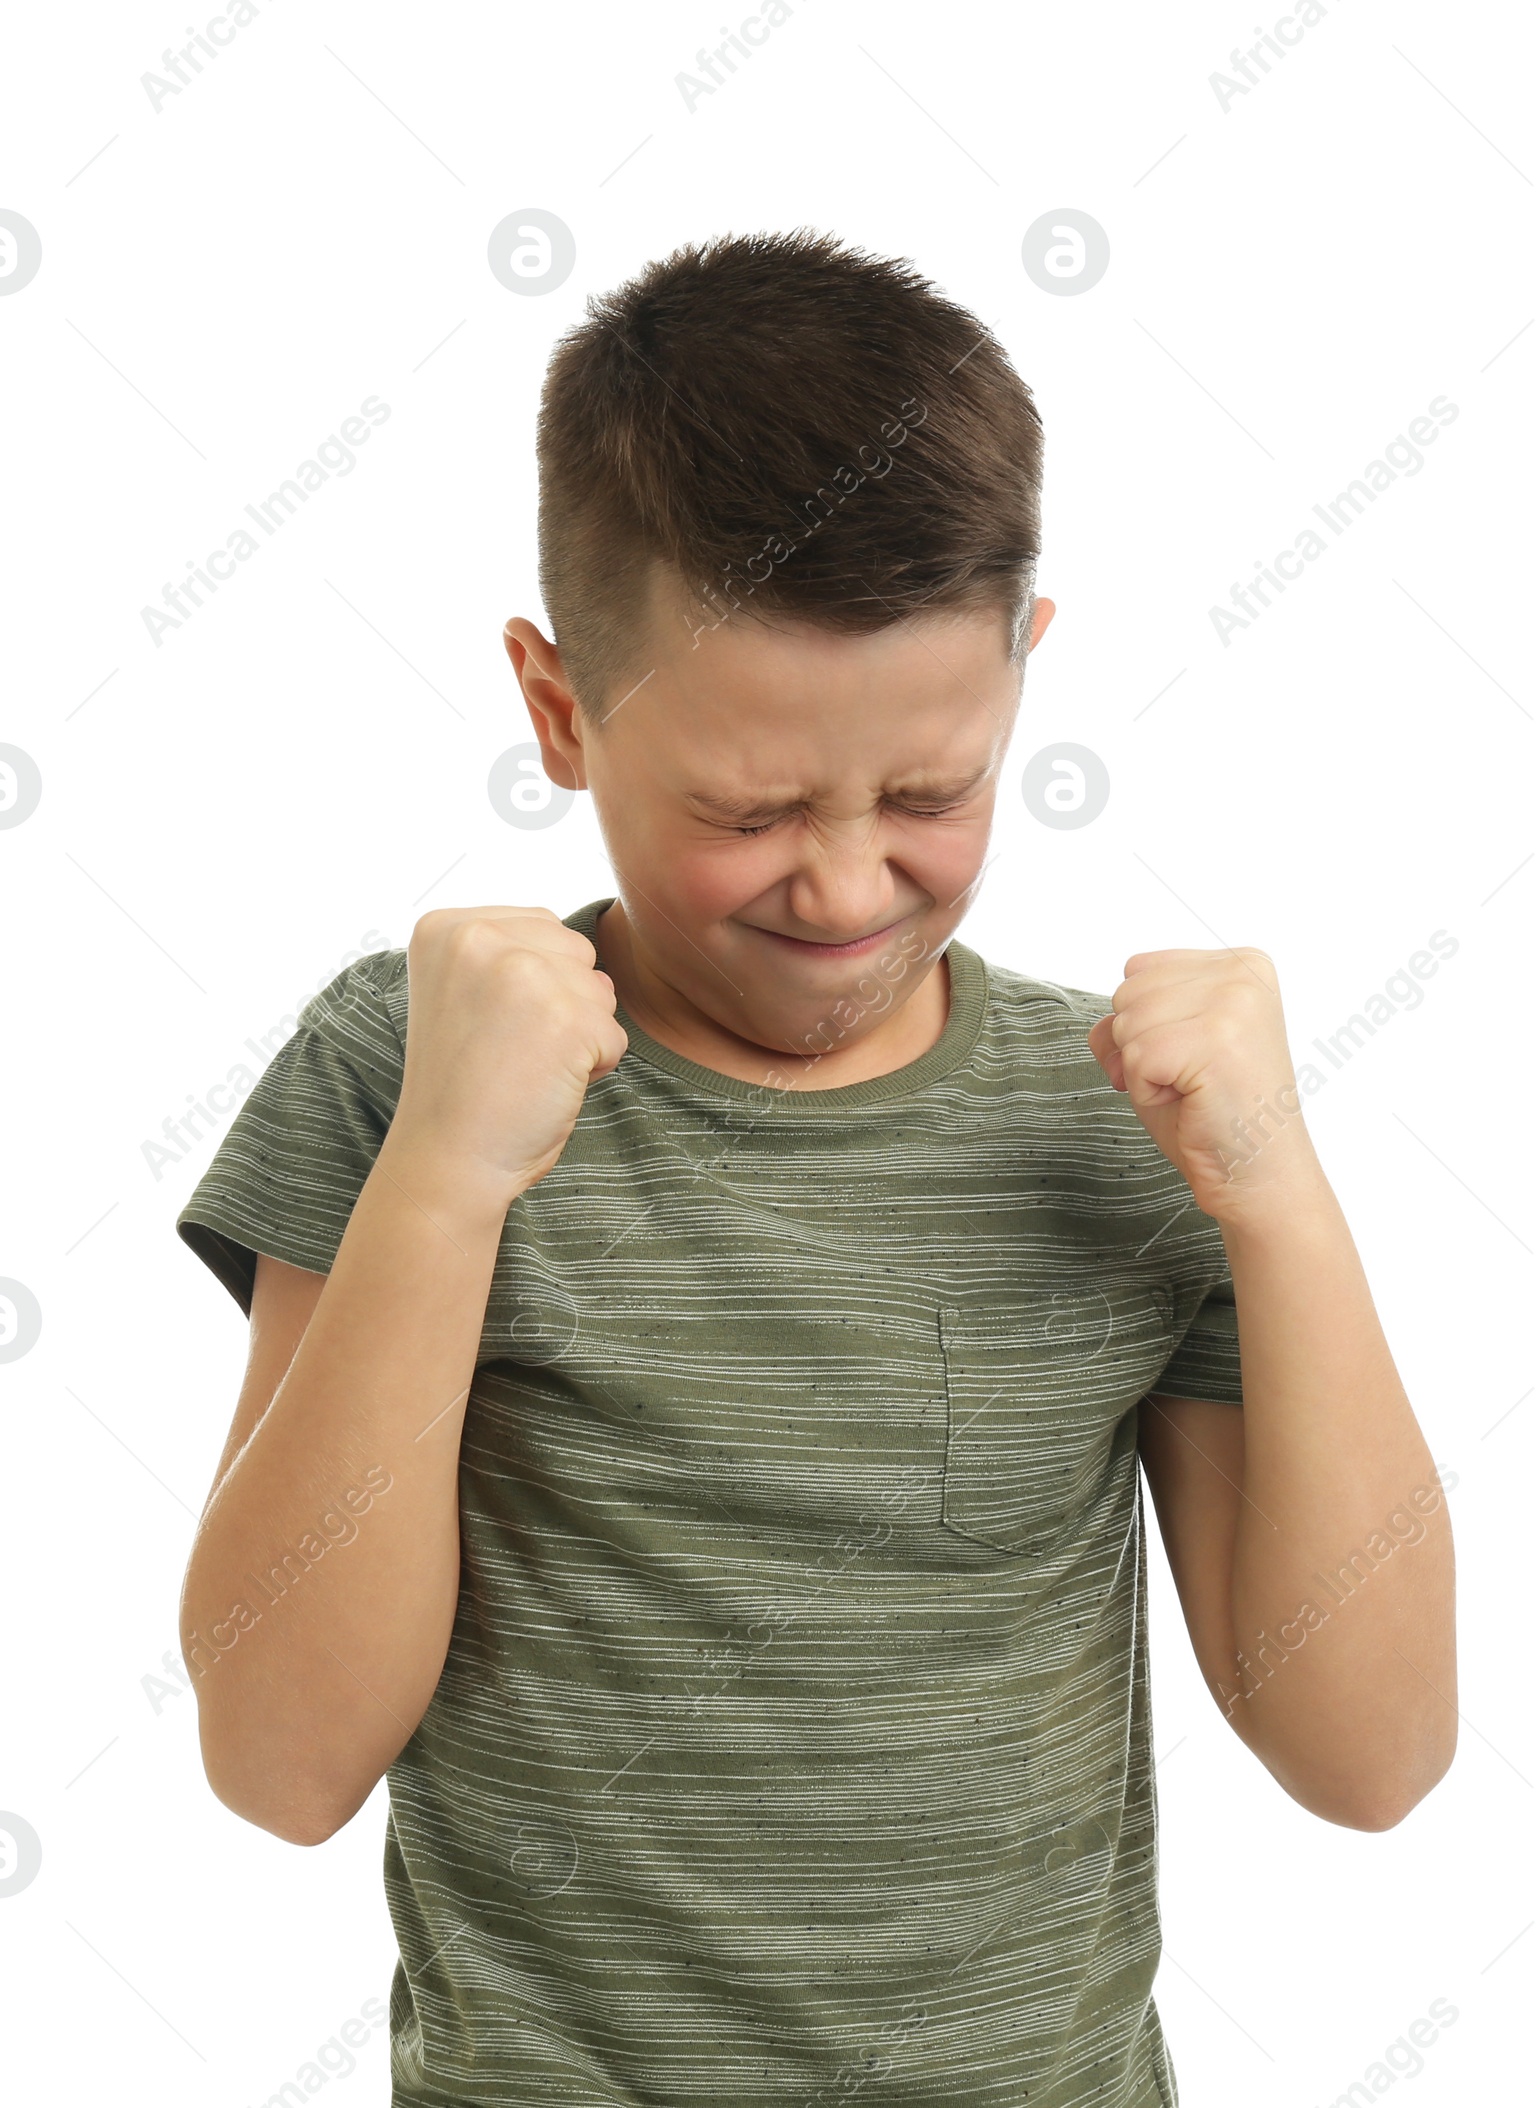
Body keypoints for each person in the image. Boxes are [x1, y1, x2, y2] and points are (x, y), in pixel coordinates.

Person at [174, 228, 1457, 2107]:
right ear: (557, 712)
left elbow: (1377, 1759)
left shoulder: (1125, 1113)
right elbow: (277, 1764)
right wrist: (444, 1181)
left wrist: (1283, 1203)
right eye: (749, 811)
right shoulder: (405, 1071)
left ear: (1027, 670)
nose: (850, 889)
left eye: (932, 796)